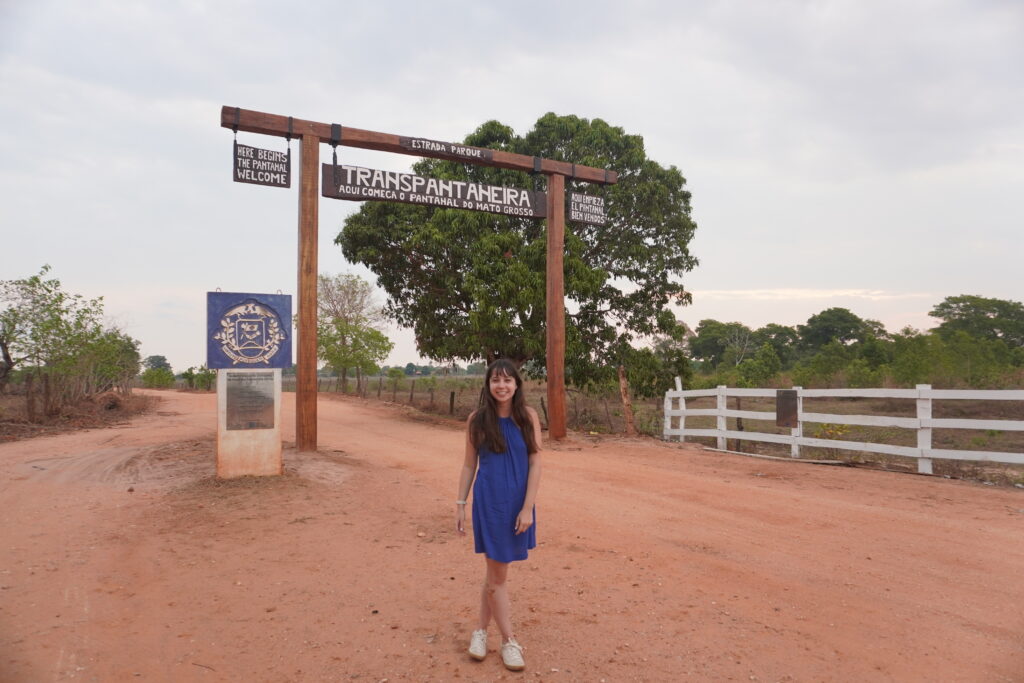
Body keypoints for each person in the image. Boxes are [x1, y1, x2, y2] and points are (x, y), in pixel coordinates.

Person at [455, 359, 542, 671]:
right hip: (489, 503)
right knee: (497, 576)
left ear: (517, 384)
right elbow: (469, 465)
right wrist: (461, 504)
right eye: (495, 380)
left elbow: (535, 463)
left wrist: (528, 507)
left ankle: (480, 631)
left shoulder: (527, 417)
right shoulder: (477, 420)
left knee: (494, 575)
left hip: (518, 504)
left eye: (507, 380)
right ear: (488, 385)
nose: (501, 386)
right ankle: (509, 641)